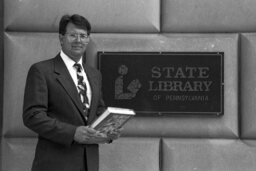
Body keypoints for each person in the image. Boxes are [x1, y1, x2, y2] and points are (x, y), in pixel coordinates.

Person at [23, 14, 121, 171]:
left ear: (88, 39)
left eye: (83, 36)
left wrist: (108, 130)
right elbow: (33, 116)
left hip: (89, 163)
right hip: (55, 164)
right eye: (73, 35)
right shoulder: (42, 71)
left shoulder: (94, 75)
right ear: (61, 38)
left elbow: (98, 111)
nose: (78, 40)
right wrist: (72, 133)